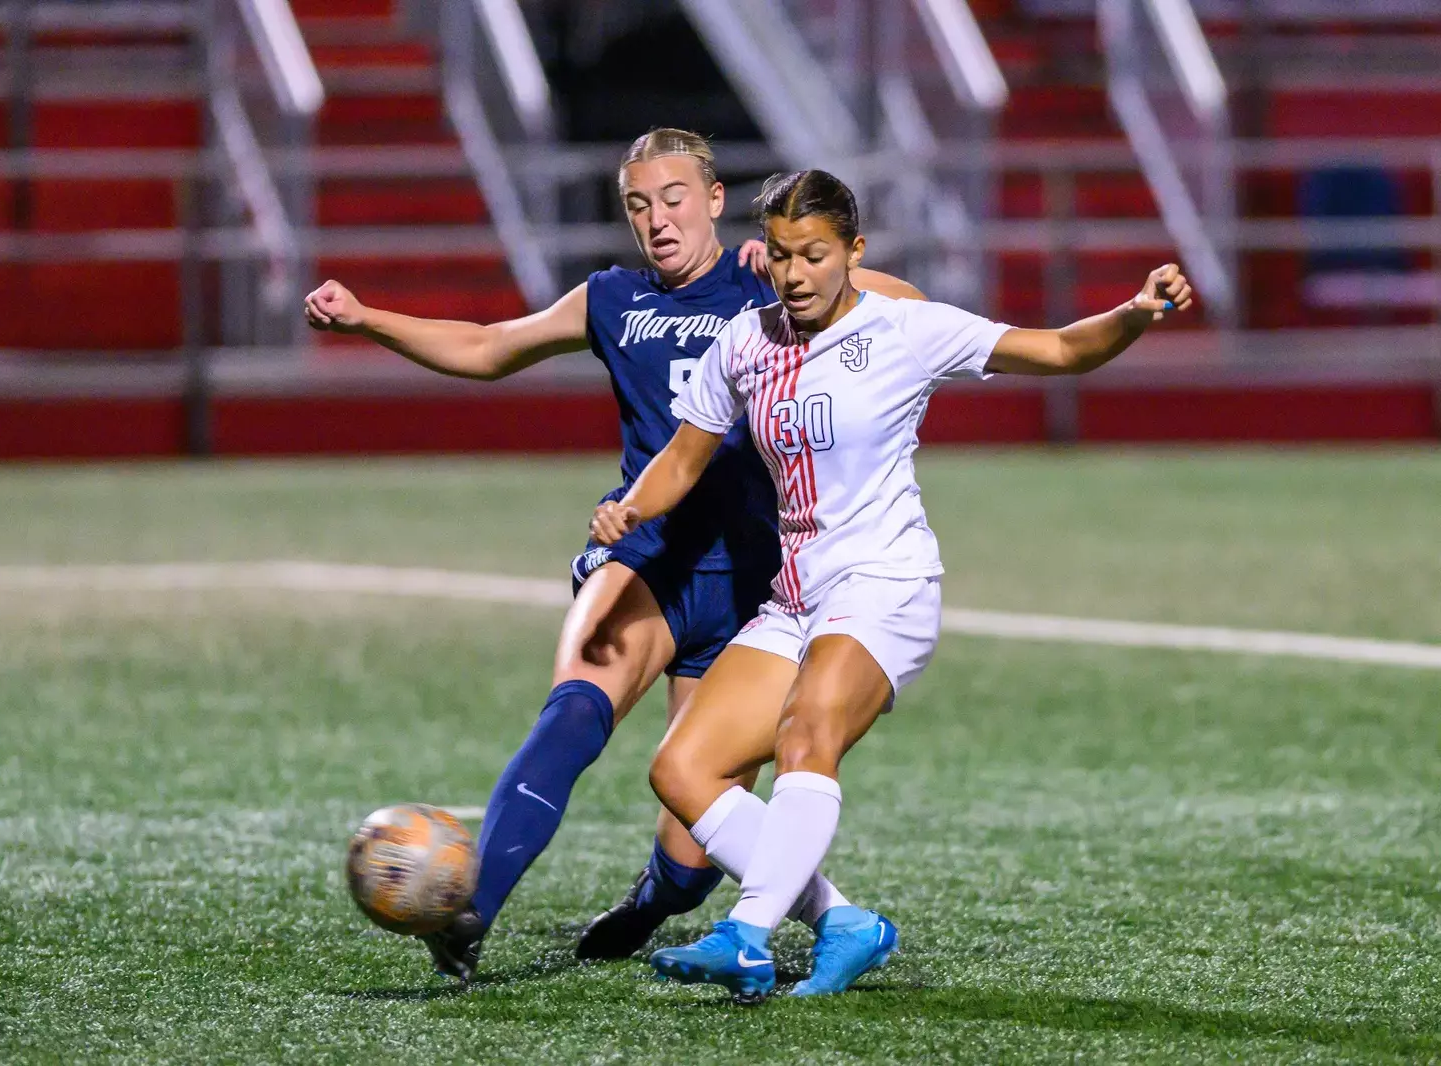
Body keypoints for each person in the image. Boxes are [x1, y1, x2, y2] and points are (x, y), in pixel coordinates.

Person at [303, 130, 927, 982]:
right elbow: (490, 347)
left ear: (713, 199)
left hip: (755, 584)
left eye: (674, 198)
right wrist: (368, 318)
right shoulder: (611, 299)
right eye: (638, 204)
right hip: (650, 552)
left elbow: (899, 305)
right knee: (574, 709)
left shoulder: (770, 282)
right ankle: (472, 911)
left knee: (690, 851)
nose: (657, 220)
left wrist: (804, 265)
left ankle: (657, 903)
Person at [589, 169, 1194, 1002]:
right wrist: (627, 509)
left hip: (884, 584)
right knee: (682, 770)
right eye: (783, 256)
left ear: (854, 253)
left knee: (808, 732)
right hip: (794, 597)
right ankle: (846, 924)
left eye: (815, 255)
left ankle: (747, 934)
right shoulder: (745, 342)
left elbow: (1057, 348)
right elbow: (683, 459)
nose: (796, 274)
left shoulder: (907, 330)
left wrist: (1134, 311)